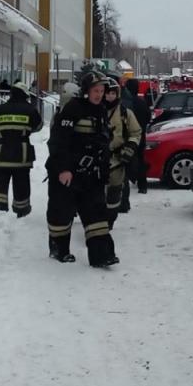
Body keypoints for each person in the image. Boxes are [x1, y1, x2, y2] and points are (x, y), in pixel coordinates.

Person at [45, 72, 119, 267]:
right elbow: (58, 142)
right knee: (61, 213)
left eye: (102, 91)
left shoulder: (101, 110)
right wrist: (63, 169)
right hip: (68, 173)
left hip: (91, 174)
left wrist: (103, 172)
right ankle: (59, 251)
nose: (99, 95)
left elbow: (102, 144)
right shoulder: (72, 109)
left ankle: (102, 256)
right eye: (95, 91)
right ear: (86, 91)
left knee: (96, 214)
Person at [0, 81, 43, 217]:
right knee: (21, 183)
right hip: (21, 155)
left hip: (1, 153)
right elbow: (38, 126)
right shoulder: (30, 110)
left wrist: (1, 134)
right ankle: (21, 210)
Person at [103, 78, 142, 226]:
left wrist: (130, 147)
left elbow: (136, 132)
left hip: (117, 160)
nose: (109, 97)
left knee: (114, 192)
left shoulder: (125, 113)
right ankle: (97, 221)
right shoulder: (93, 111)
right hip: (96, 160)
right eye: (107, 93)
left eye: (113, 93)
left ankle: (110, 220)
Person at [122, 77, 152, 196]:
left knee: (125, 159)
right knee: (140, 160)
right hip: (141, 135)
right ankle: (142, 185)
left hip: (127, 136)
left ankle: (126, 183)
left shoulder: (124, 103)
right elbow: (148, 117)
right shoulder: (142, 102)